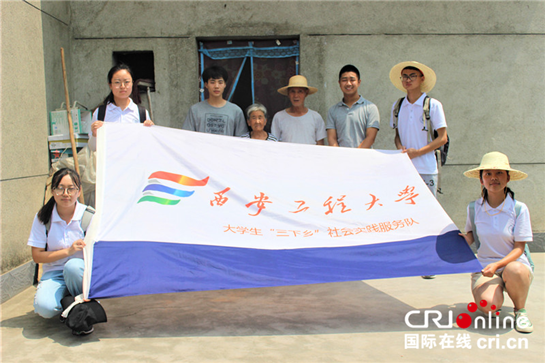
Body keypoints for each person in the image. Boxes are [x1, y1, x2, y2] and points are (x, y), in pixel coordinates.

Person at [460, 152, 534, 333]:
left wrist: (498, 265)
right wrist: (456, 241)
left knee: (514, 269)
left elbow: (519, 248)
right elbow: (471, 235)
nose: (494, 178)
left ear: (508, 178)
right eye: (488, 174)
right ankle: (495, 296)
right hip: (485, 269)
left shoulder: (518, 208)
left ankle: (520, 311)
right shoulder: (473, 208)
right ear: (481, 180)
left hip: (514, 265)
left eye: (499, 173)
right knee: (489, 306)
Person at [27, 168, 95, 335]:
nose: (66, 193)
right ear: (53, 191)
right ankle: (71, 303)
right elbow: (37, 256)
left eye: (71, 188)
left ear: (78, 191)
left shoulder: (89, 216)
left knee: (72, 267)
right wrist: (69, 251)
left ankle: (82, 306)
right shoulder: (43, 217)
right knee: (44, 308)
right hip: (54, 273)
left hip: (79, 272)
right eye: (60, 188)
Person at [389, 61, 447, 196]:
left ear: (422, 78)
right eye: (404, 76)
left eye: (412, 76)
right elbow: (397, 134)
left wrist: (418, 152)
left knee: (428, 212)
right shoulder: (397, 106)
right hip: (405, 168)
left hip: (426, 168)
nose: (408, 80)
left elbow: (442, 138)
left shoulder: (433, 105)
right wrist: (400, 148)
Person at [89, 63, 154, 151]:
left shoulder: (141, 113)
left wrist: (150, 131)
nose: (122, 86)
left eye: (126, 82)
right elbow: (92, 148)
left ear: (132, 83)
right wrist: (95, 134)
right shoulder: (101, 113)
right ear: (110, 85)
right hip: (109, 163)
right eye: (117, 82)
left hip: (134, 163)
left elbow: (149, 146)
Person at [182, 65, 248, 136]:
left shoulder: (236, 111)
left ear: (225, 84)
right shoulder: (195, 110)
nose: (216, 86)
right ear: (206, 85)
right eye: (212, 82)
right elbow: (186, 137)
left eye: (220, 82)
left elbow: (242, 140)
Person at [326, 65, 380, 148]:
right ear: (339, 83)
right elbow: (332, 138)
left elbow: (370, 138)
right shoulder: (333, 111)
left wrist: (354, 156)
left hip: (364, 158)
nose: (348, 83)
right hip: (341, 159)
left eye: (352, 80)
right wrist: (341, 156)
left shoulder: (370, 108)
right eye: (344, 80)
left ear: (359, 82)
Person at [271, 75, 326, 145]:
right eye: (292, 91)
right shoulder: (279, 117)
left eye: (300, 91)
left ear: (306, 93)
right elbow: (274, 145)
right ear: (288, 93)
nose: (296, 96)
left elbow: (320, 146)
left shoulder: (316, 117)